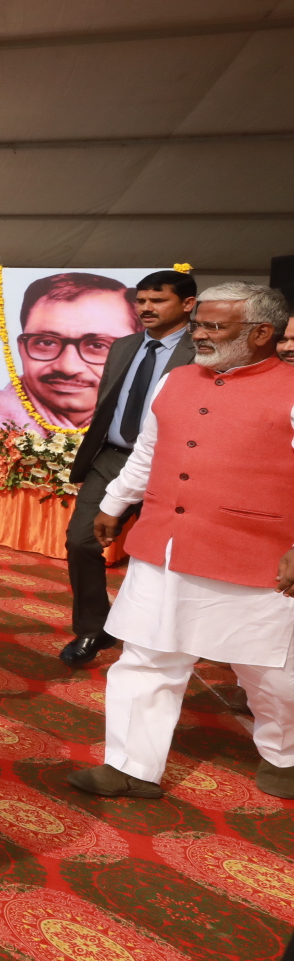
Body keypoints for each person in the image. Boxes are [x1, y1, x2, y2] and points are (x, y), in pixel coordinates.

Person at [66, 283, 294, 800]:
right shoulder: (177, 380)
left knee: (269, 670)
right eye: (200, 325)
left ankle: (285, 756)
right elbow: (148, 450)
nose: (201, 335)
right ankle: (129, 766)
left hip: (255, 553)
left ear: (261, 334)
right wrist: (113, 503)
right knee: (145, 657)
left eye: (215, 327)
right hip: (164, 545)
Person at [58, 270, 198, 666]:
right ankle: (93, 629)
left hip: (175, 467)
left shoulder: (201, 349)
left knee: (163, 557)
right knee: (81, 542)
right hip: (113, 460)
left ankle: (165, 639)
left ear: (188, 304)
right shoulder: (123, 346)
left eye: (158, 301)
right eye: (141, 301)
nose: (146, 308)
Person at [0, 272, 139, 434]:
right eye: (47, 342)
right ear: (21, 348)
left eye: (97, 345)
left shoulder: (151, 416)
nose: (68, 367)